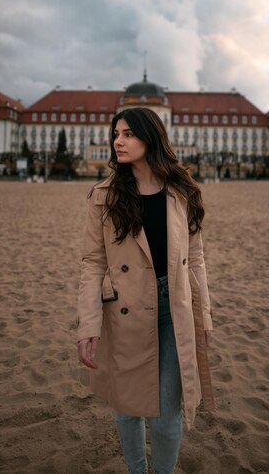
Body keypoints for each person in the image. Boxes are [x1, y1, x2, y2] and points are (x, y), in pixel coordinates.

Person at [77, 107, 214, 474]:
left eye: (127, 134)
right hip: (127, 308)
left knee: (167, 416)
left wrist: (205, 316)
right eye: (116, 134)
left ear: (150, 138)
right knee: (127, 406)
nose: (117, 141)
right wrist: (88, 325)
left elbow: (196, 258)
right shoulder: (104, 195)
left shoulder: (183, 190)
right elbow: (92, 263)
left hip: (176, 309)